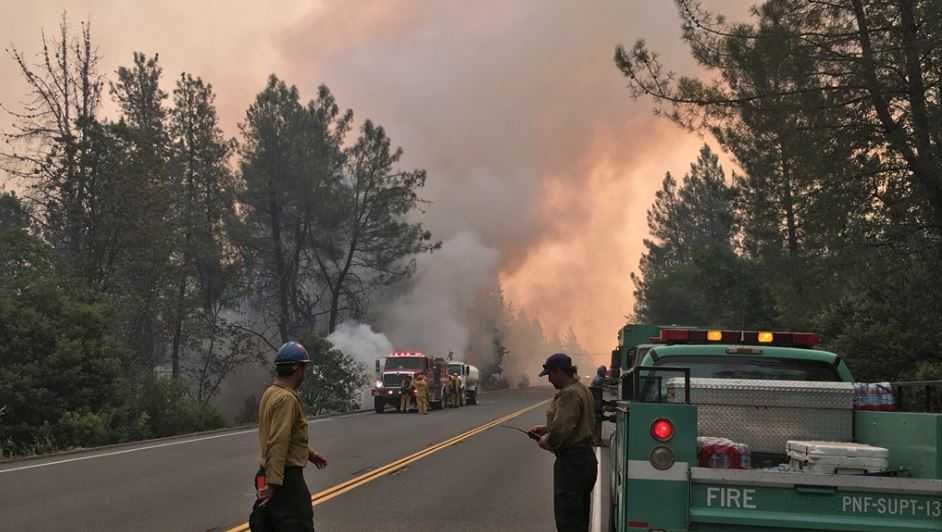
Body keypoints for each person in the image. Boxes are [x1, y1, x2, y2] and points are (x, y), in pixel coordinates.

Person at [253, 341, 328, 532]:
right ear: (297, 369)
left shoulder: (270, 393)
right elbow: (278, 440)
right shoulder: (287, 399)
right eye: (304, 367)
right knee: (298, 523)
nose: (304, 373)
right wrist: (273, 483)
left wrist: (309, 454)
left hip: (266, 471)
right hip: (285, 478)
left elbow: (286, 435)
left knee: (271, 524)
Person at [528, 353, 597, 532]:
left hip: (572, 464)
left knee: (568, 521)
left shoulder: (569, 395)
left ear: (559, 371)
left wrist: (547, 441)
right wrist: (545, 428)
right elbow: (576, 423)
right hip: (585, 461)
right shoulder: (583, 389)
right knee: (579, 518)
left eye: (550, 374)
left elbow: (561, 430)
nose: (549, 380)